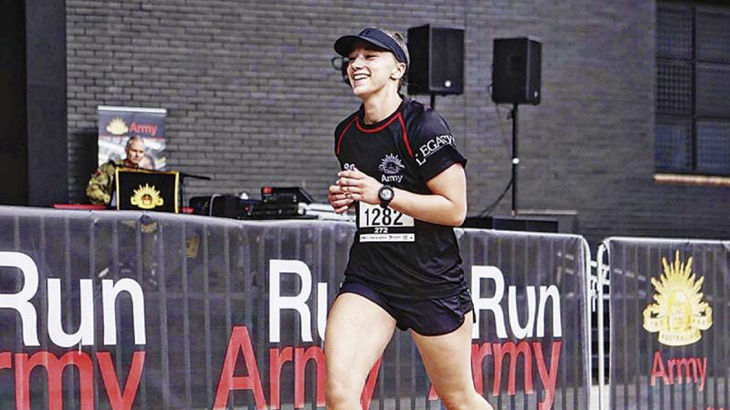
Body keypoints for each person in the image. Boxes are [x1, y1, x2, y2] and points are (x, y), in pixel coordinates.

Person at [325, 27, 493, 409]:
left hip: (430, 282)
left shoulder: (423, 125)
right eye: (352, 59)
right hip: (371, 279)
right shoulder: (346, 133)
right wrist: (346, 198)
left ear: (397, 70)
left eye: (370, 57)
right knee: (340, 393)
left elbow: (455, 209)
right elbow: (369, 196)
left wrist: (381, 193)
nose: (357, 65)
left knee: (459, 399)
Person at [86, 135, 148, 205]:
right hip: (113, 213)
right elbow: (92, 189)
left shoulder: (144, 173)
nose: (137, 155)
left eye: (141, 152)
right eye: (134, 151)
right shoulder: (110, 168)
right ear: (126, 150)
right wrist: (112, 201)